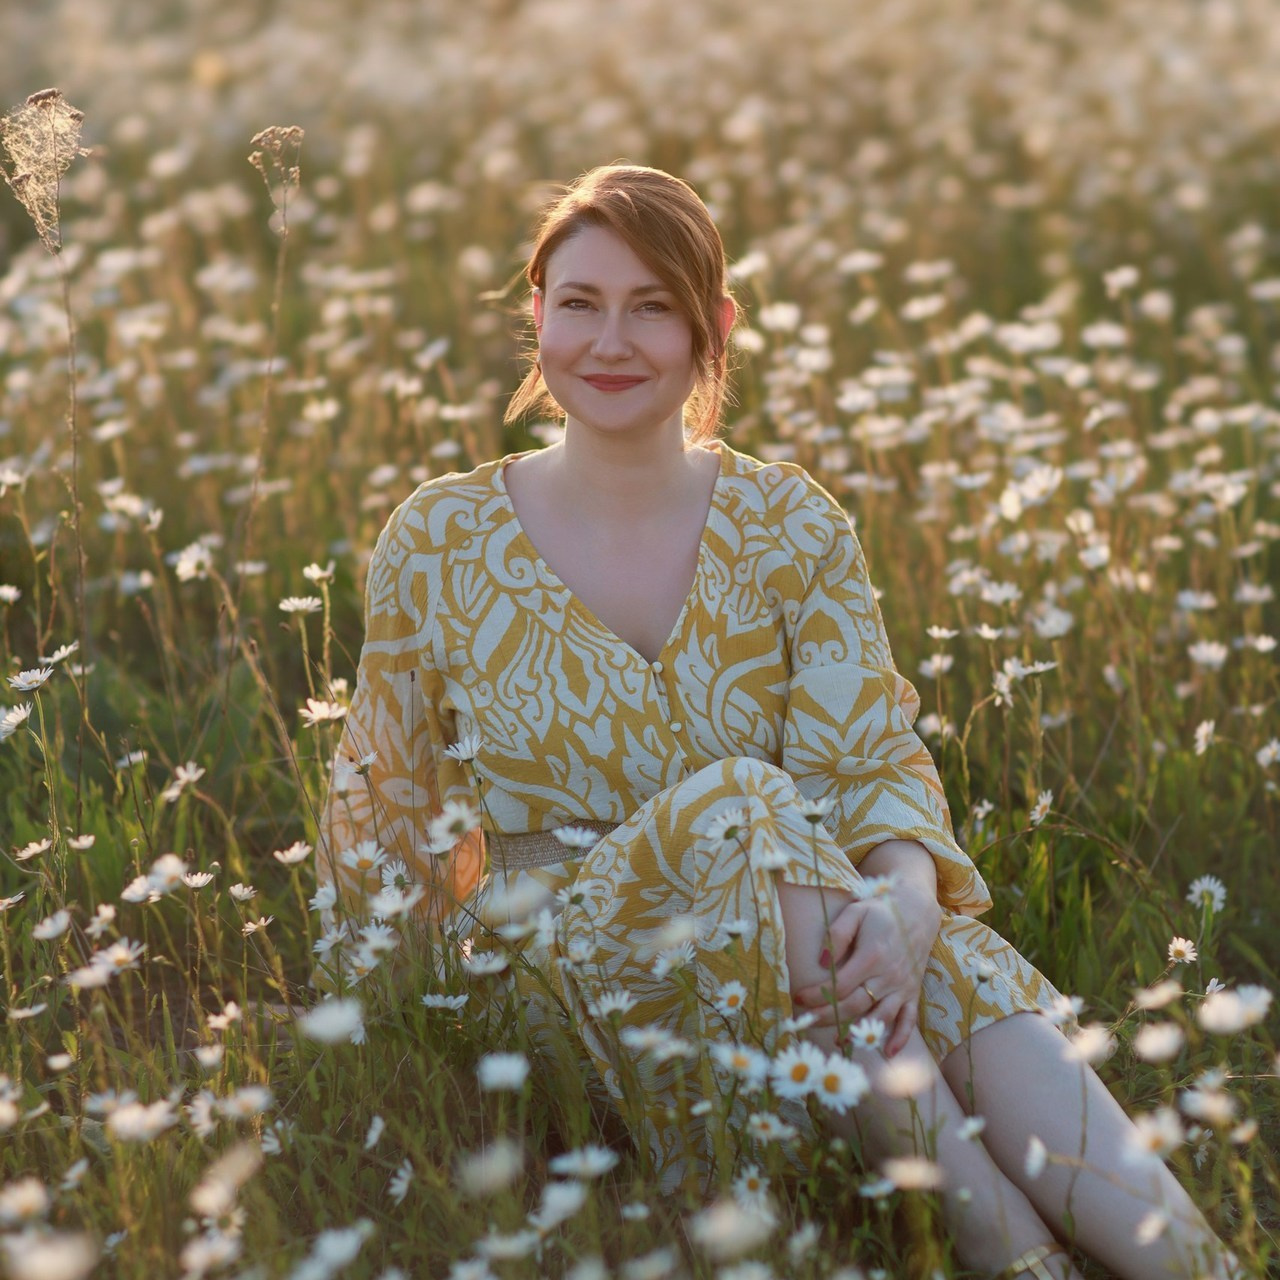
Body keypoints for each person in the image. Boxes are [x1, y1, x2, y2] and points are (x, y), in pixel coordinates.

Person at [318, 165, 1235, 1279]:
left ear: (713, 326)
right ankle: (997, 1232)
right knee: (744, 807)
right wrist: (392, 1043)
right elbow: (384, 801)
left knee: (948, 965)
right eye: (578, 302)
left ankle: (1195, 1263)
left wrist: (903, 905)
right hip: (581, 980)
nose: (608, 340)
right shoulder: (441, 537)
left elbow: (869, 761)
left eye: (651, 306)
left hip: (815, 946)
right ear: (538, 316)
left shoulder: (789, 522)